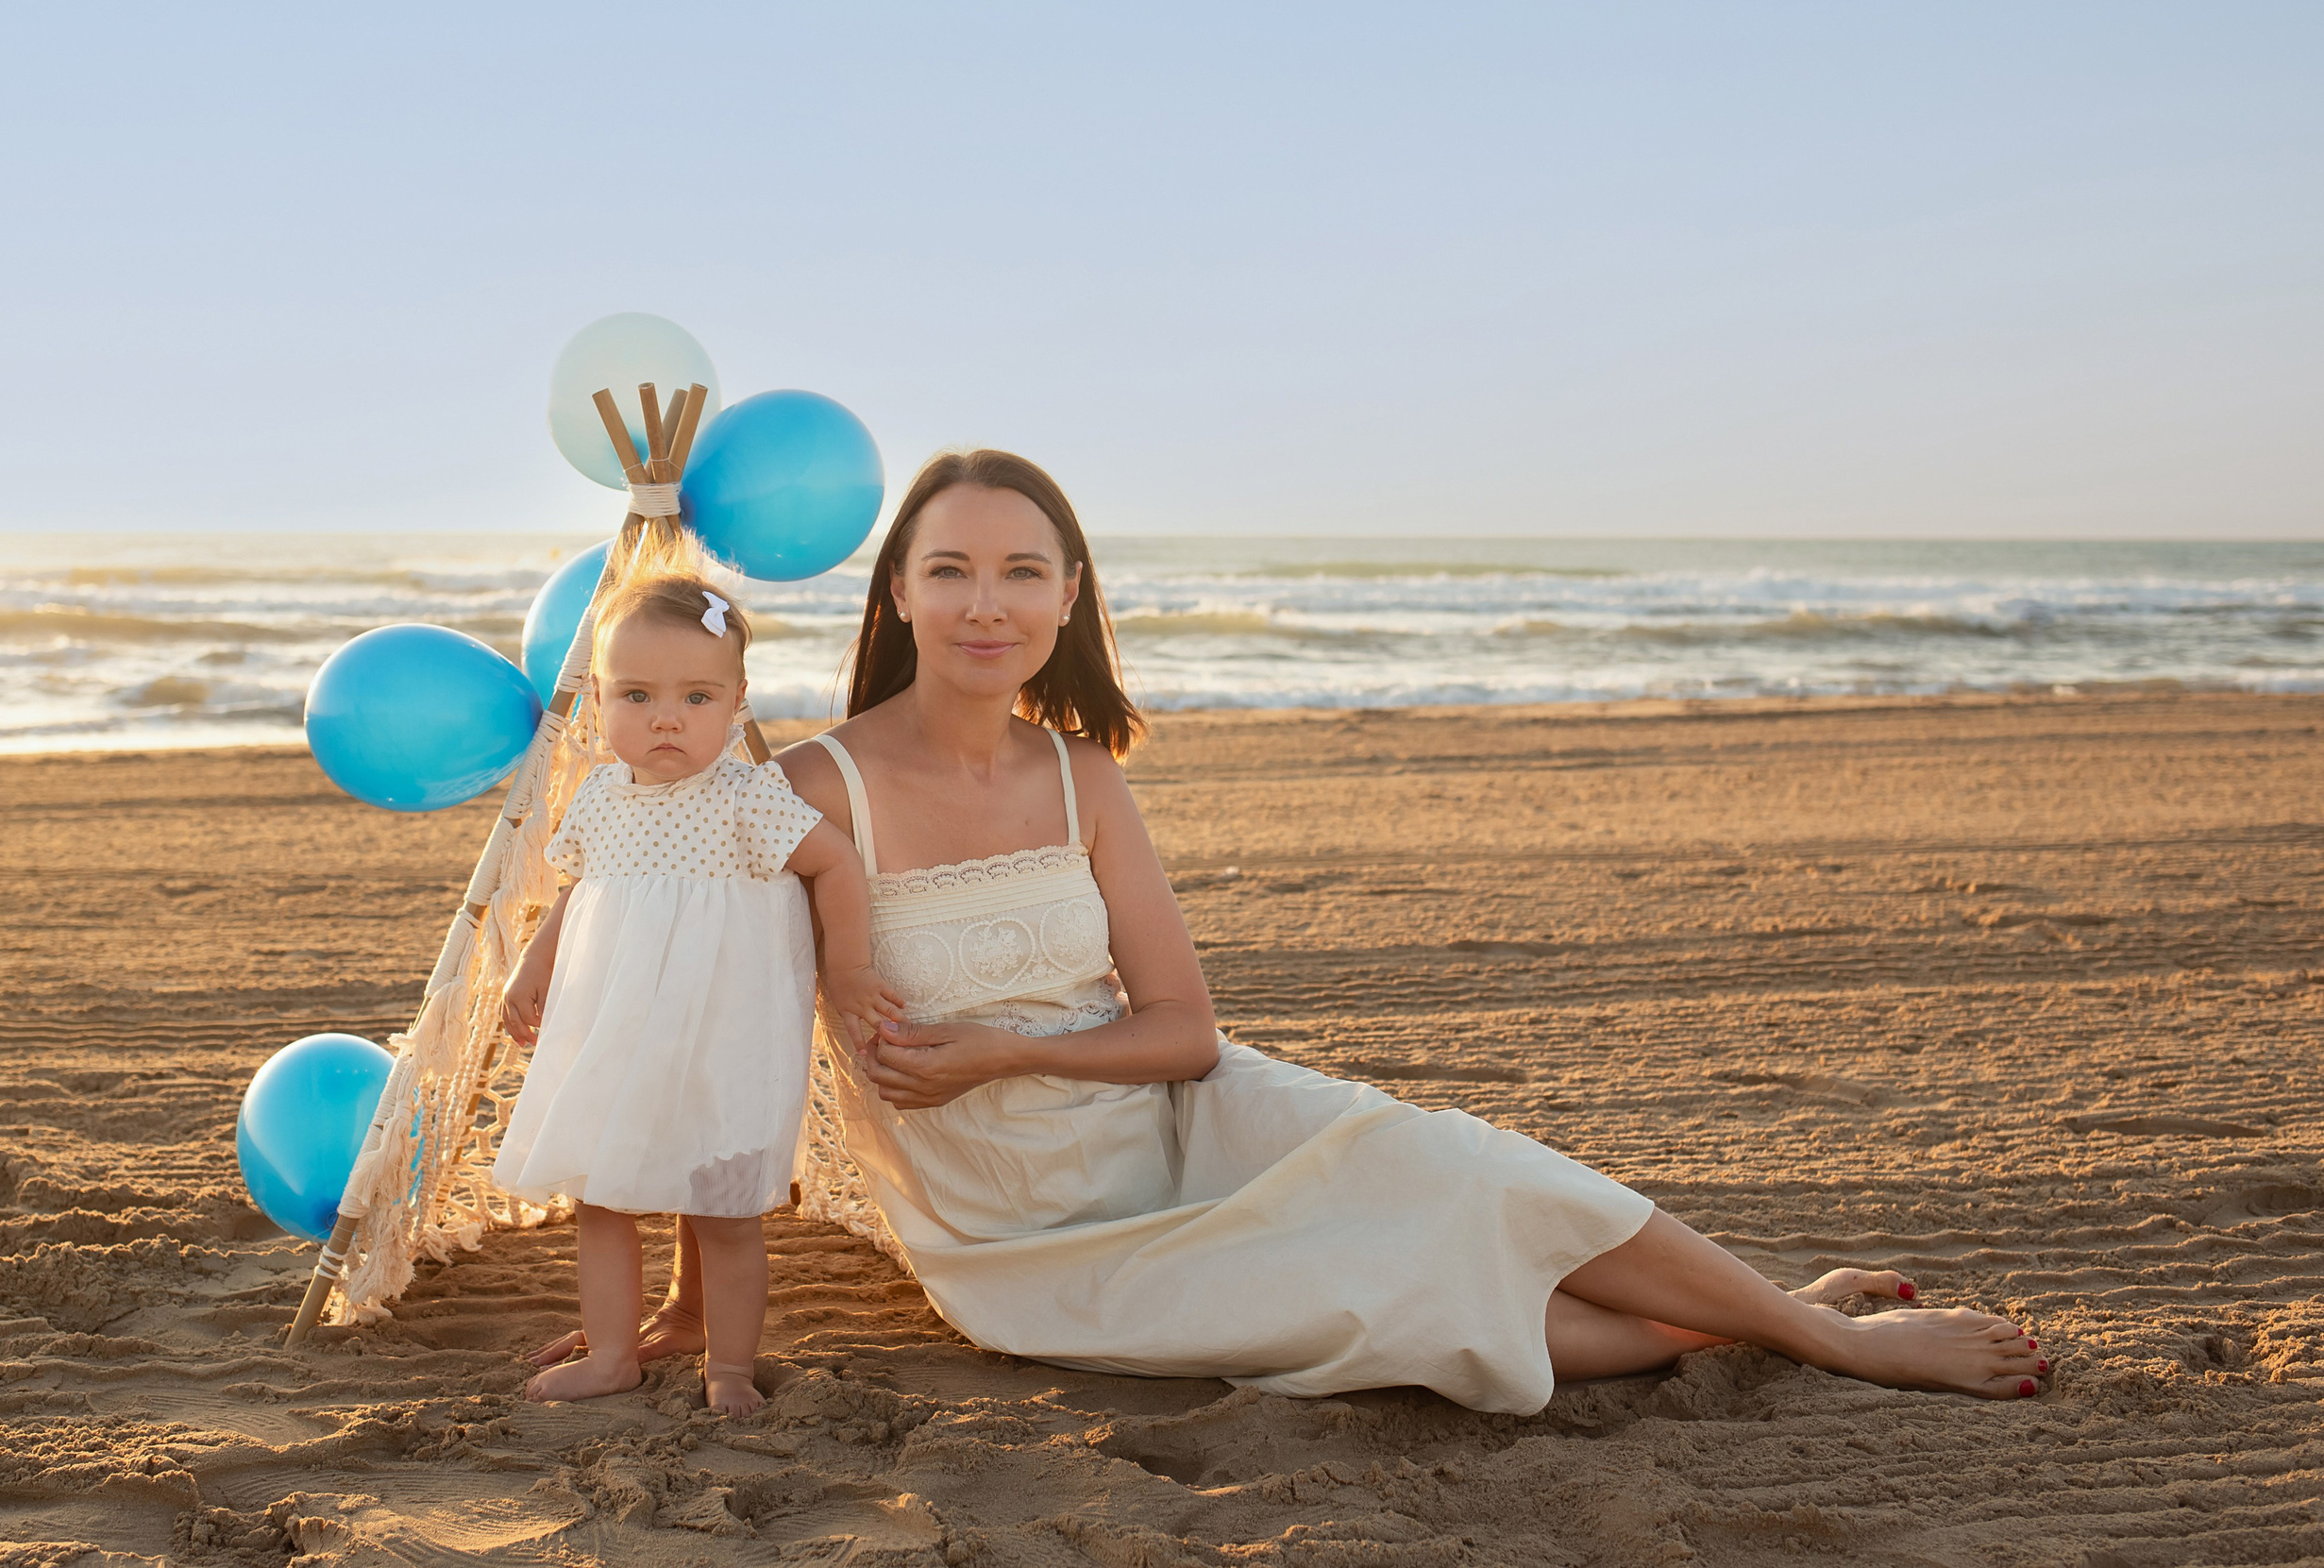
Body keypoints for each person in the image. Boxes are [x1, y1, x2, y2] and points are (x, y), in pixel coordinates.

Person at [533, 453, 2052, 1410]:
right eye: (951, 568)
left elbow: (1183, 1027)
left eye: (1021, 570)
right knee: (1403, 1308)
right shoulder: (808, 785)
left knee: (1463, 1166)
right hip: (1020, 1221)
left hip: (1183, 1107)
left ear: (1068, 600)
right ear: (902, 593)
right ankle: (1780, 1322)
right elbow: (692, 1000)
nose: (985, 601)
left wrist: (1005, 1040)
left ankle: (1826, 1333)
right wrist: (682, 1284)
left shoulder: (1083, 772)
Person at [493, 539, 903, 1412]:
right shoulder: (601, 795)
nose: (667, 718)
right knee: (602, 1195)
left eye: (697, 696)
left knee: (721, 1203)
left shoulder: (749, 797)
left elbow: (835, 863)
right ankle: (613, 1352)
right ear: (599, 699)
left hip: (726, 1033)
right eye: (637, 696)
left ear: (737, 703)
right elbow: (580, 889)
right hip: (617, 1028)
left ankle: (726, 1359)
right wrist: (535, 961)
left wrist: (853, 965)